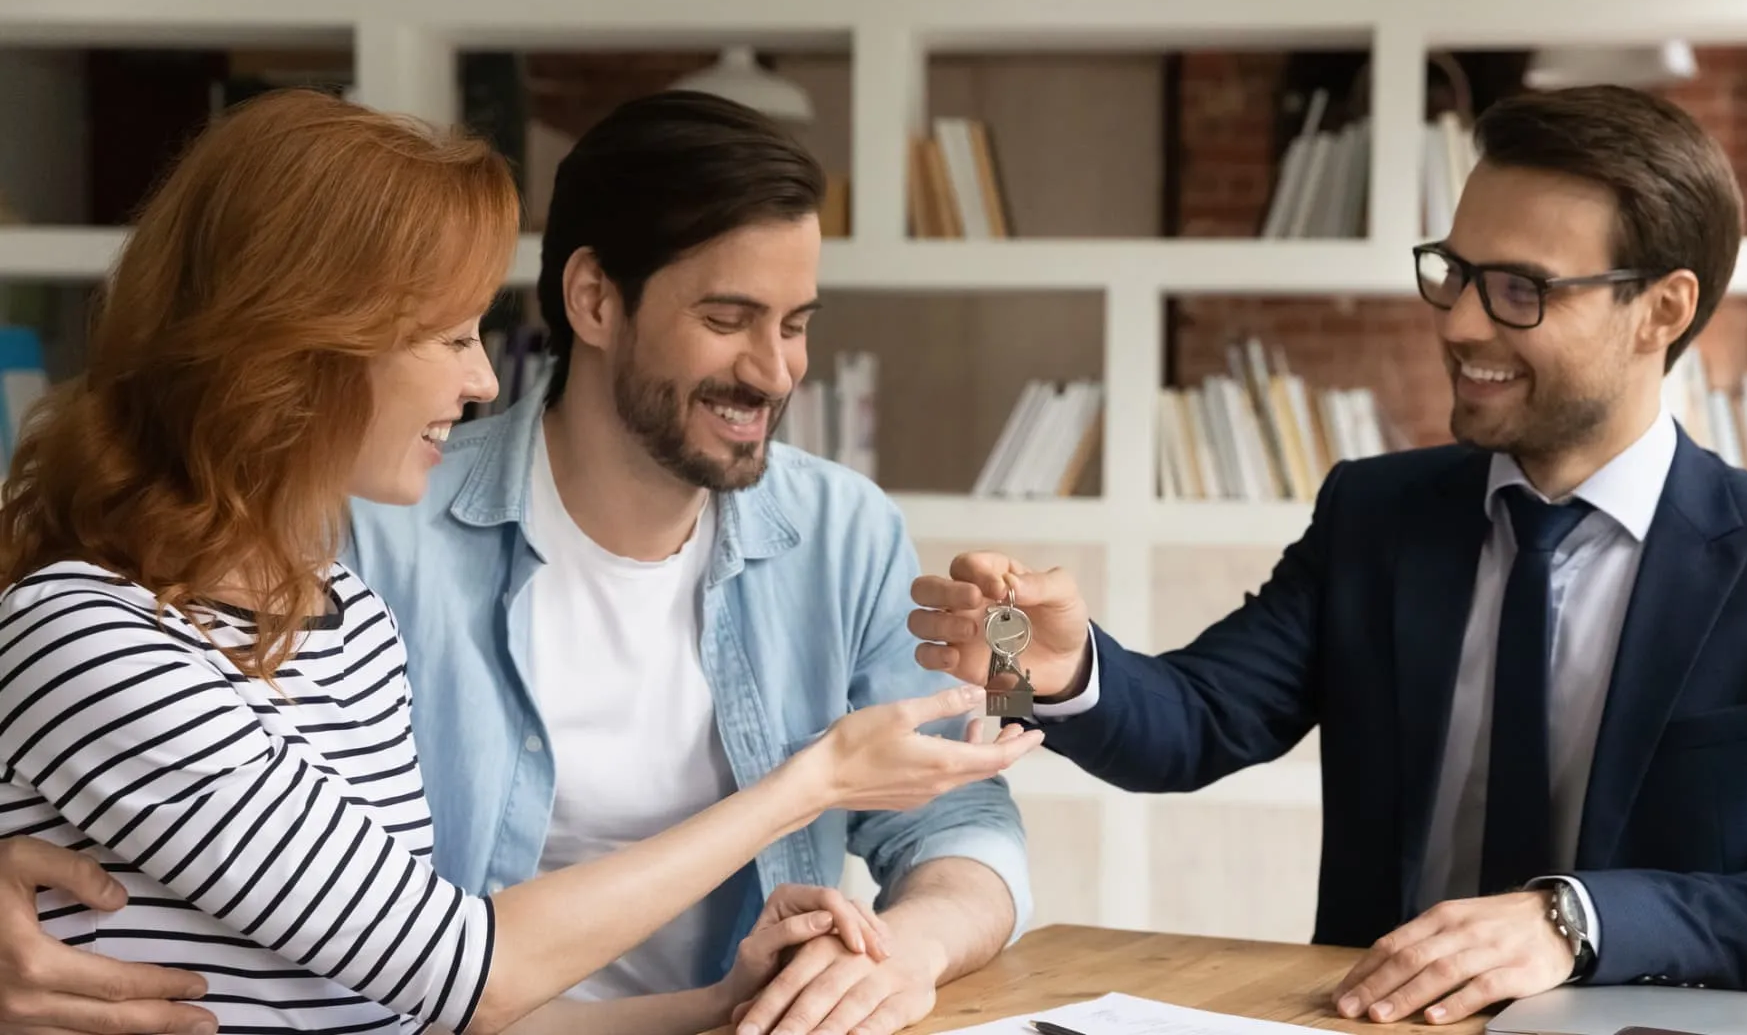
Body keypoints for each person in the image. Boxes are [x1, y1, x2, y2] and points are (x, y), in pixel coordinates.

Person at [0, 88, 1040, 1035]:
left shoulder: (339, 609)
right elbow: (454, 970)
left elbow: (968, 792)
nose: (776, 371)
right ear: (593, 302)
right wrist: (811, 782)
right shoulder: (359, 531)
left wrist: (831, 971)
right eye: (728, 319)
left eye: (798, 326)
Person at [909, 83, 1747, 1023]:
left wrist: (1575, 922)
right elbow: (1199, 723)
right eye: (1456, 272)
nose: (1462, 321)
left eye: (1521, 288)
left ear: (1662, 308)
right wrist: (1050, 670)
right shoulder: (1375, 514)